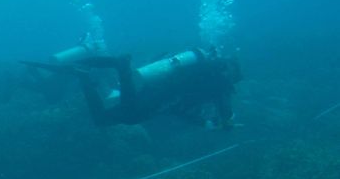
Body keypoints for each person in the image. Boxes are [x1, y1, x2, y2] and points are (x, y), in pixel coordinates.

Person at [25, 47, 241, 129]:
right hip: (160, 95)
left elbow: (181, 109)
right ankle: (122, 67)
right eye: (234, 76)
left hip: (158, 94)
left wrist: (203, 122)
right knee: (131, 114)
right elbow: (226, 113)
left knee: (102, 120)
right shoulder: (220, 83)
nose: (233, 81)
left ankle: (83, 76)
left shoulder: (206, 76)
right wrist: (228, 123)